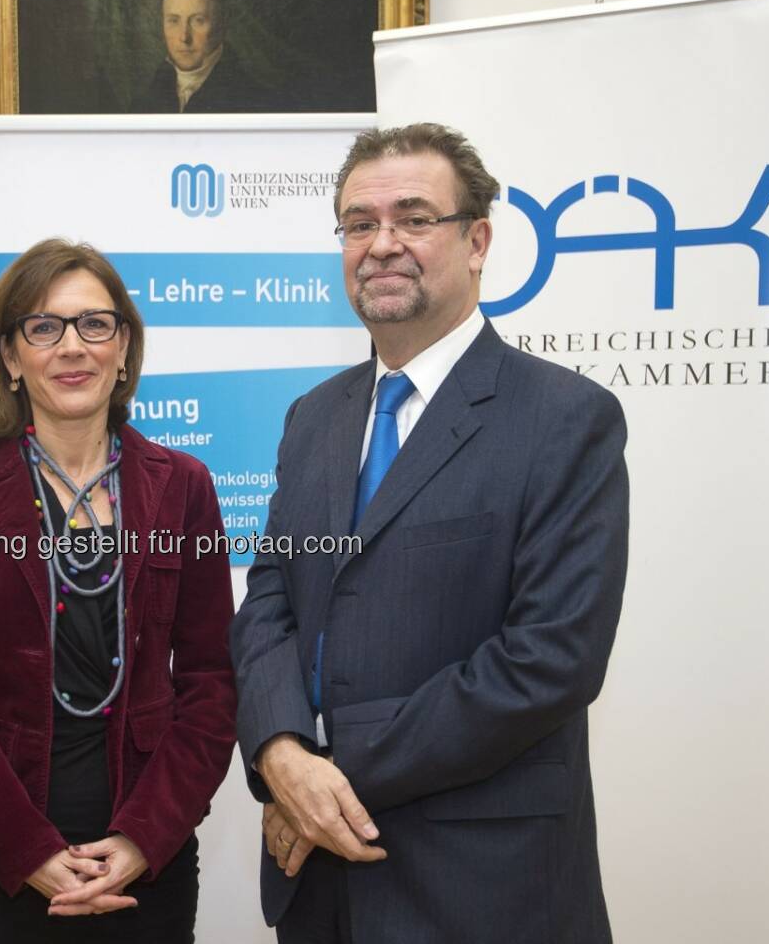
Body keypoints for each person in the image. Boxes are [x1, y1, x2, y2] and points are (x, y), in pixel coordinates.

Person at [231, 123, 629, 942]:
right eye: (358, 223)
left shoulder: (565, 418)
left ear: (477, 240)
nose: (382, 244)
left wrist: (327, 778)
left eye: (414, 217)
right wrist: (277, 751)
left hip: (483, 891)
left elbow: (550, 658)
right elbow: (271, 598)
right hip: (322, 895)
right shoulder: (314, 418)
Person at [0, 238, 236, 942]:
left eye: (94, 324)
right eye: (43, 327)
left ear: (123, 350)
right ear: (12, 358)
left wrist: (145, 837)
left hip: (146, 862)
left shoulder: (185, 487)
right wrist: (30, 851)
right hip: (0, 863)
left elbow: (210, 682)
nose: (72, 347)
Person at [130, 0, 277, 113]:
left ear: (221, 23)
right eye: (173, 21)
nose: (184, 37)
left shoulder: (254, 100)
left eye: (198, 20)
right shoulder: (144, 102)